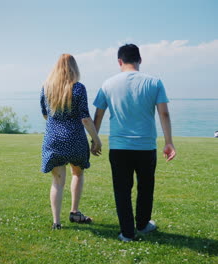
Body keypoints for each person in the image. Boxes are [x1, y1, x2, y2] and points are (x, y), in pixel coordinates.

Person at [93, 44, 176, 242]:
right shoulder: (155, 82)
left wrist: (95, 140)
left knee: (122, 190)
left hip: (119, 147)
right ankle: (143, 224)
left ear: (119, 61)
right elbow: (163, 113)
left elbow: (98, 114)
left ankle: (127, 233)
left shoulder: (107, 84)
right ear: (140, 60)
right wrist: (169, 142)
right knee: (146, 187)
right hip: (146, 147)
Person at [40, 54, 102, 230]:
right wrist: (96, 140)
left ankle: (56, 222)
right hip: (75, 139)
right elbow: (85, 119)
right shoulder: (78, 88)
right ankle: (74, 212)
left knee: (58, 181)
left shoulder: (46, 88)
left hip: (53, 139)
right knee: (77, 174)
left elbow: (45, 114)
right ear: (74, 68)